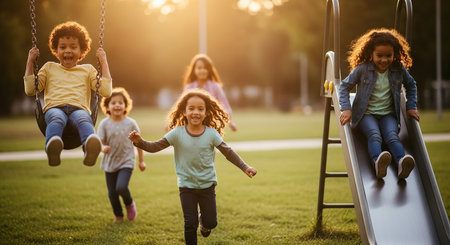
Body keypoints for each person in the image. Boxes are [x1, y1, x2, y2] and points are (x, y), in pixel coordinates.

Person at [128, 89, 257, 245]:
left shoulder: (211, 134)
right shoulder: (176, 133)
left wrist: (245, 167)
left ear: (206, 112)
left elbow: (228, 153)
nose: (196, 112)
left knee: (211, 222)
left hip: (207, 185)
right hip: (186, 186)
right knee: (190, 223)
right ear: (184, 111)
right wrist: (139, 142)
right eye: (191, 108)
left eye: (200, 109)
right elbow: (155, 147)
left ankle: (204, 223)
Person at [24, 21, 112, 167]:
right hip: (54, 108)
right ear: (56, 50)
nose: (68, 51)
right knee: (57, 118)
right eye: (62, 47)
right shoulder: (49, 67)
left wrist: (104, 62)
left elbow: (106, 91)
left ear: (81, 50)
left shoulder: (88, 70)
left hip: (79, 109)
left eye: (73, 47)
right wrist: (30, 61)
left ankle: (89, 148)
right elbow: (30, 90)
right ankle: (53, 146)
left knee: (84, 119)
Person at [339, 28, 420, 179]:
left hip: (388, 114)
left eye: (388, 55)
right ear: (371, 54)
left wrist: (411, 107)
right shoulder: (363, 70)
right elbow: (344, 86)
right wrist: (346, 109)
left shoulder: (398, 69)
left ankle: (401, 162)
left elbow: (411, 85)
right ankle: (378, 163)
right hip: (366, 114)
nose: (384, 59)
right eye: (379, 56)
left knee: (392, 136)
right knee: (375, 135)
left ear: (395, 54)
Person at [97, 87, 146, 222]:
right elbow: (99, 143)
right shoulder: (104, 124)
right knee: (112, 194)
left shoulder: (131, 123)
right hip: (110, 163)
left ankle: (129, 204)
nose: (117, 105)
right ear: (107, 106)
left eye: (120, 102)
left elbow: (139, 143)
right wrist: (102, 148)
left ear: (126, 105)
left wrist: (141, 161)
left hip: (127, 161)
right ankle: (118, 216)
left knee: (121, 187)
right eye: (113, 103)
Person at [182, 54, 238, 131]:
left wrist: (230, 121)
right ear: (194, 70)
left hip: (211, 124)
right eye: (199, 68)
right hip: (193, 124)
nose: (202, 70)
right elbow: (181, 106)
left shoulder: (215, 86)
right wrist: (172, 123)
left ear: (209, 70)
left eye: (205, 68)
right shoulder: (189, 87)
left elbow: (225, 105)